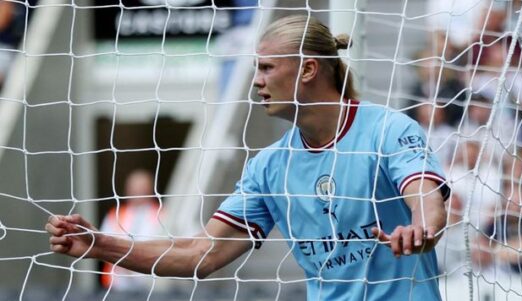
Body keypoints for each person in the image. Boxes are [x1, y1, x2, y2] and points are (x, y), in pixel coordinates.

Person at [46, 15, 450, 300]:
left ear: (308, 69)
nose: (256, 81)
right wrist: (100, 245)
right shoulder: (269, 167)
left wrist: (420, 229)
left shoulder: (388, 128)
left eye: (266, 67)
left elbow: (424, 196)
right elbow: (201, 254)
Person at [98, 169, 163, 292]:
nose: (137, 191)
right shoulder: (115, 214)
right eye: (134, 186)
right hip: (117, 286)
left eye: (142, 186)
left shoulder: (162, 214)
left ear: (151, 188)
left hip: (152, 287)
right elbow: (102, 245)